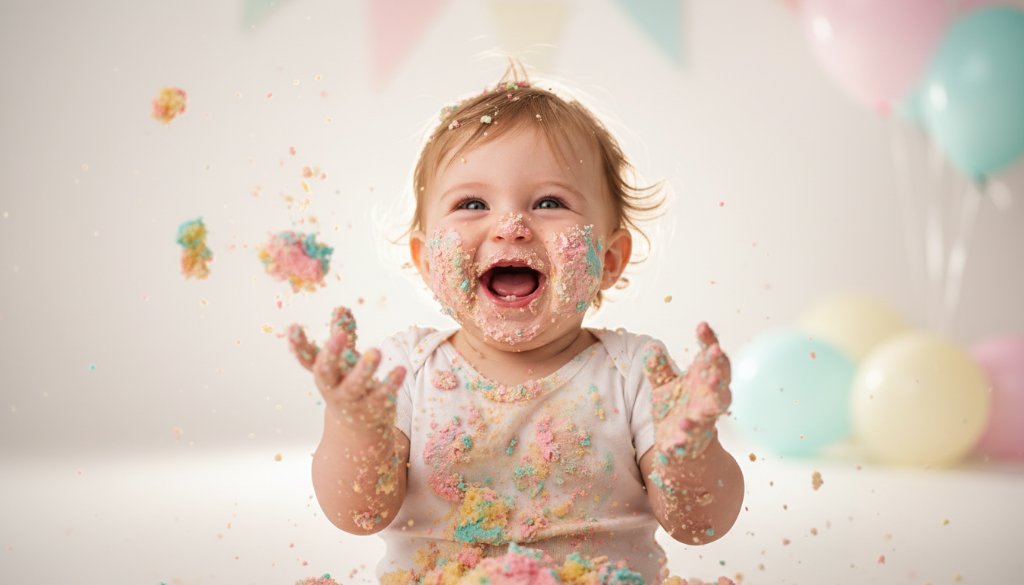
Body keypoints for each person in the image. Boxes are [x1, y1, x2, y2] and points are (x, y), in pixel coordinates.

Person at [288, 63, 744, 585]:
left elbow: (700, 526)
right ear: (426, 258)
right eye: (472, 203)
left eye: (550, 202)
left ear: (609, 258)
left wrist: (691, 451)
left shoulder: (635, 373)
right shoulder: (403, 372)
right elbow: (357, 514)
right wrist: (354, 428)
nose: (511, 226)